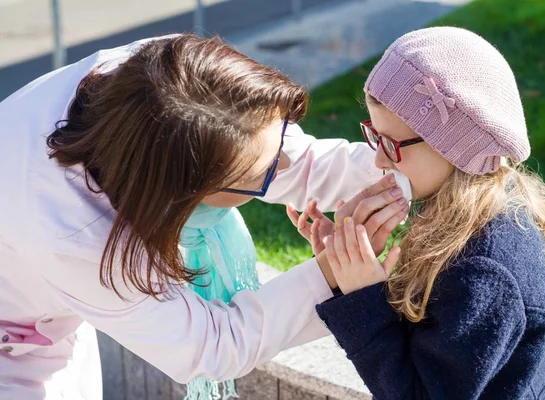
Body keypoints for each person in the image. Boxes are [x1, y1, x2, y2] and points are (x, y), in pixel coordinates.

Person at [0, 34, 412, 399]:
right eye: (264, 174)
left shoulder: (171, 76)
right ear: (181, 194)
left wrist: (410, 176)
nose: (285, 164)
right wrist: (331, 273)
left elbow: (292, 158)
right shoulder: (76, 236)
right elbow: (211, 346)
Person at [296, 27, 545, 399]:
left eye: (391, 144)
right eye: (374, 135)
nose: (379, 159)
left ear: (452, 148)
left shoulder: (483, 272)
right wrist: (346, 272)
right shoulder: (462, 212)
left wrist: (363, 295)